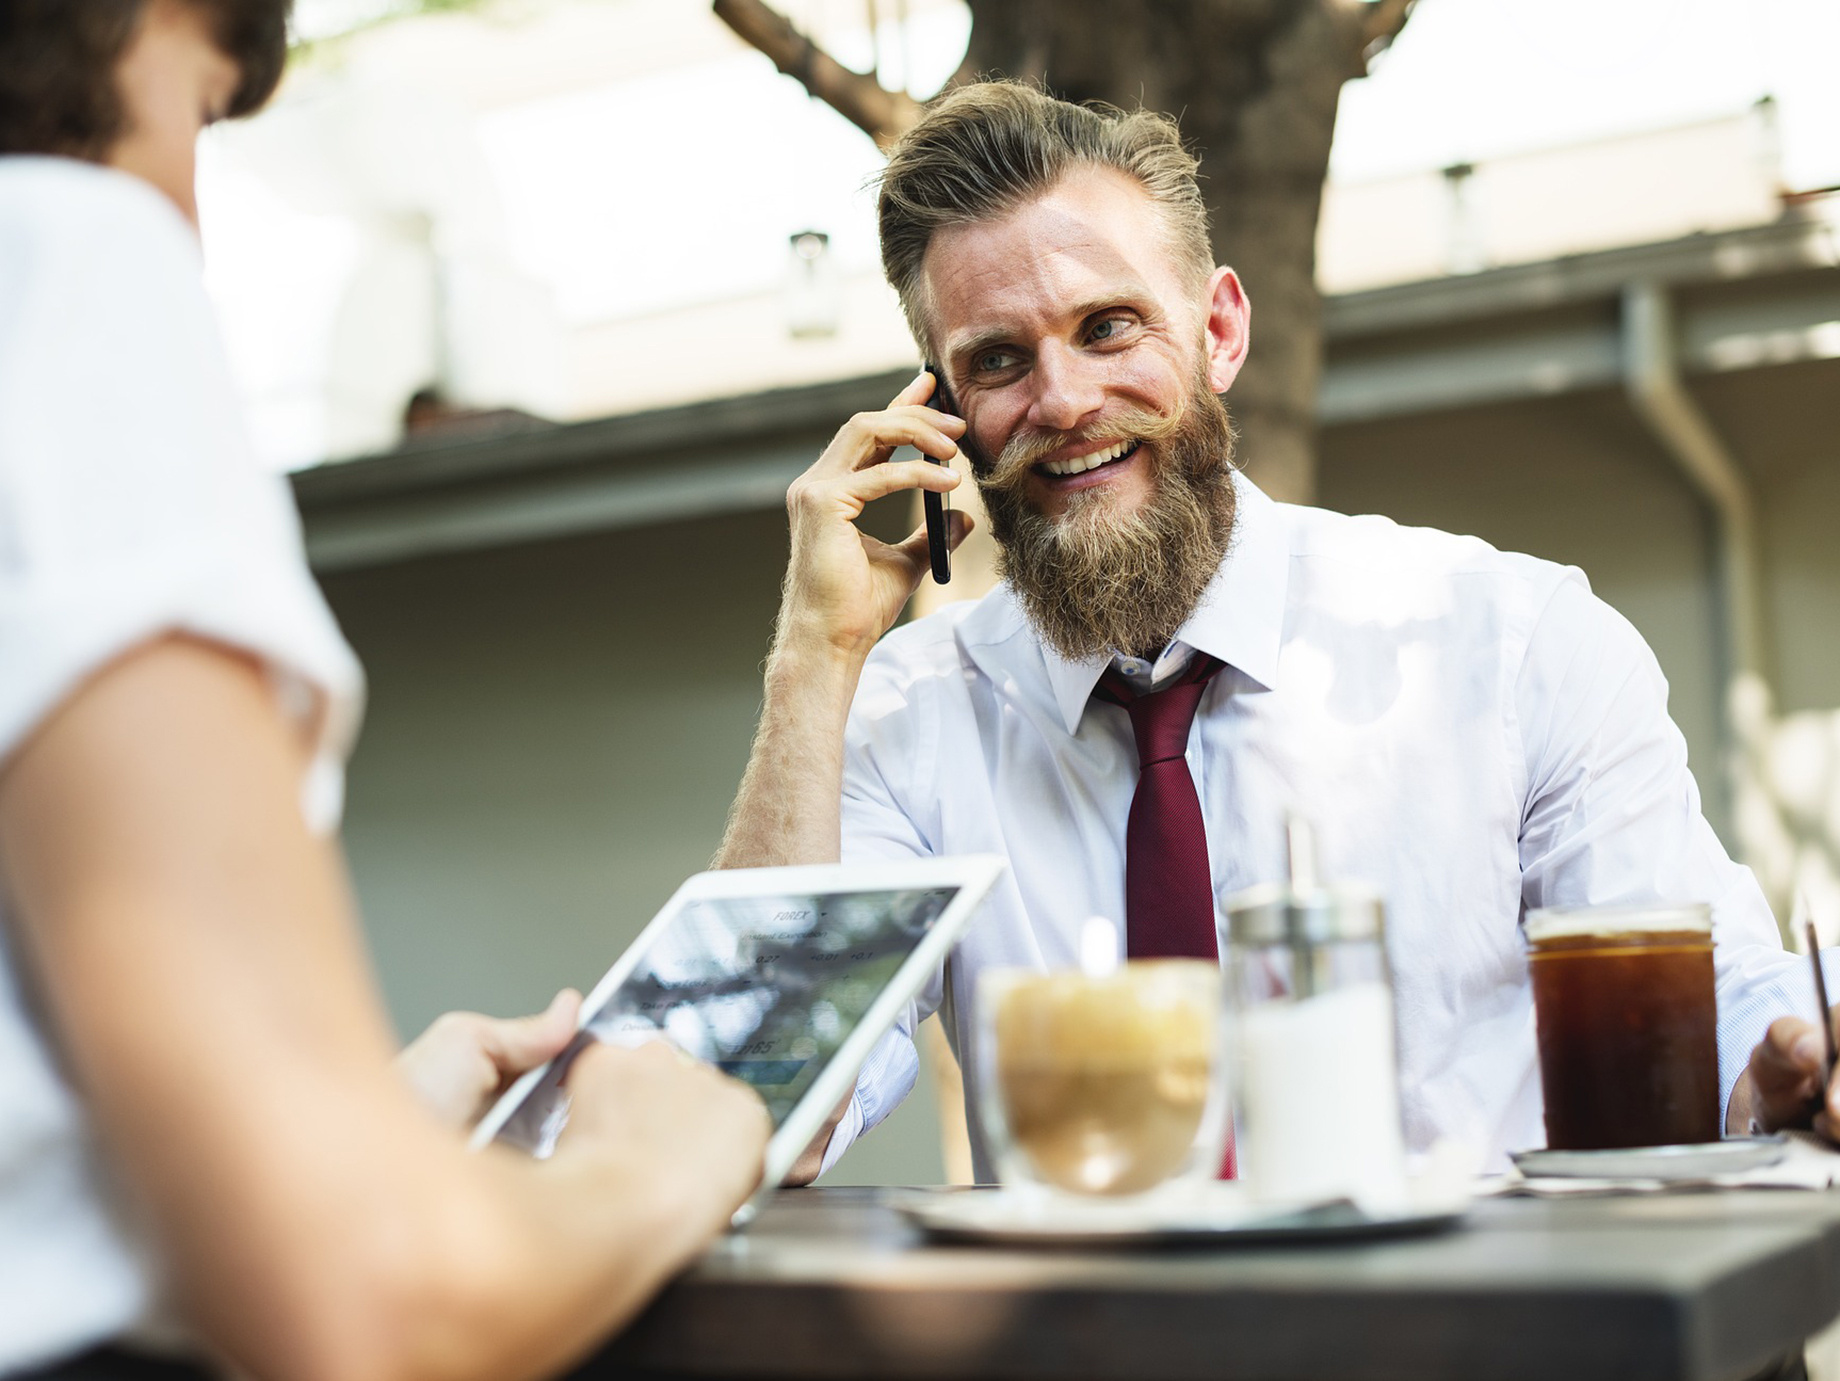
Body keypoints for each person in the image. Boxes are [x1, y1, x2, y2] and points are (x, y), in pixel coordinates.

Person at [718, 79, 1834, 1181]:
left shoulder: (1511, 642)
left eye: (1108, 326)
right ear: (942, 411)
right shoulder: (906, 715)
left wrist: (1793, 1069)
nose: (1059, 402)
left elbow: (1720, 1009)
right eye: (997, 360)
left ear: (1219, 330)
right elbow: (761, 1118)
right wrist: (811, 662)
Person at [0, 3, 769, 1378]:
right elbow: (373, 1303)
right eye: (205, 109)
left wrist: (343, 1126)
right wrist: (659, 1167)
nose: (189, 208)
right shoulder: (59, 255)